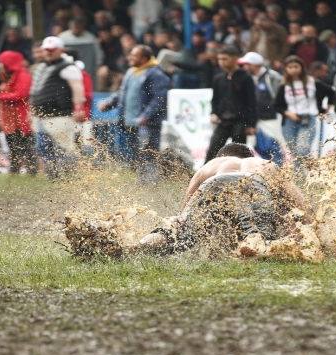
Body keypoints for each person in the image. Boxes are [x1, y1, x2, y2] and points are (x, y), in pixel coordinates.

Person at [125, 143, 318, 259]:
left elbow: (183, 214)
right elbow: (301, 206)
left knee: (180, 232)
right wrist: (314, 236)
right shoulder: (264, 165)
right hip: (252, 184)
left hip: (213, 183)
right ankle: (251, 244)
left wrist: (184, 221)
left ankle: (137, 246)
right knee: (261, 236)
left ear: (223, 157)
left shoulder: (211, 165)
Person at [99, 44, 169, 184]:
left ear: (143, 59)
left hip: (147, 123)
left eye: (134, 55)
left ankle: (152, 181)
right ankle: (140, 180)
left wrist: (147, 115)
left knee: (149, 152)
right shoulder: (131, 72)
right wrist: (109, 103)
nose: (129, 58)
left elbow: (159, 98)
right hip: (129, 121)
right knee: (135, 153)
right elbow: (123, 93)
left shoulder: (156, 74)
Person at [29, 36, 86, 179]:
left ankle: (71, 175)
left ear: (60, 51)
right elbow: (34, 90)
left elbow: (77, 88)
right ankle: (52, 175)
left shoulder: (68, 67)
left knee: (65, 147)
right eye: (46, 50)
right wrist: (30, 110)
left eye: (51, 50)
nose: (48, 53)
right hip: (40, 115)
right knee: (43, 147)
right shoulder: (41, 67)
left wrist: (78, 107)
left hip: (60, 115)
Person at [273, 55, 335, 172]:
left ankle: (308, 172)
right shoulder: (284, 85)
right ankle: (299, 176)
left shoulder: (312, 82)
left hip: (308, 118)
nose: (293, 70)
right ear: (286, 69)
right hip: (289, 120)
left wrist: (327, 108)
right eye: (290, 67)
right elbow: (277, 105)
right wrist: (288, 113)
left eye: (296, 66)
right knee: (293, 150)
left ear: (301, 67)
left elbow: (331, 91)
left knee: (303, 149)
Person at [205, 46, 258, 164]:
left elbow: (252, 102)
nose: (221, 62)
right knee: (213, 149)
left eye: (225, 59)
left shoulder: (245, 77)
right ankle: (205, 176)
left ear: (235, 59)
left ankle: (240, 176)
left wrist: (251, 124)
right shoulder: (218, 79)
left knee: (238, 153)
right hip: (222, 121)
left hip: (240, 121)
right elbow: (215, 99)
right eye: (219, 59)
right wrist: (213, 113)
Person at [0, 50, 38, 175]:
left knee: (26, 148)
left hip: (20, 119)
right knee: (13, 148)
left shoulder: (23, 75)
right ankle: (14, 171)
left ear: (9, 62)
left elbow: (21, 95)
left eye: (1, 63)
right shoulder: (8, 75)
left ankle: (32, 173)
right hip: (10, 119)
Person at [238, 52, 284, 165]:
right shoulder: (246, 78)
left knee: (272, 145)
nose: (244, 67)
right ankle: (268, 170)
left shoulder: (272, 76)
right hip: (255, 118)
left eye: (246, 64)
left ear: (254, 65)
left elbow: (281, 95)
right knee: (258, 146)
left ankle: (279, 170)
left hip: (271, 117)